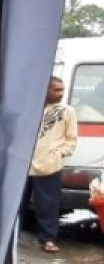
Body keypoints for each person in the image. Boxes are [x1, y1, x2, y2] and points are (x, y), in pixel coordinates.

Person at [23, 75, 78, 253]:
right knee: (15, 204)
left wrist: (59, 153)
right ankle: (7, 239)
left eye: (61, 90)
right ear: (45, 90)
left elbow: (71, 140)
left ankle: (48, 239)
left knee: (47, 205)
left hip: (49, 164)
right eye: (56, 90)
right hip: (24, 164)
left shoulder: (66, 111)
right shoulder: (31, 108)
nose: (60, 93)